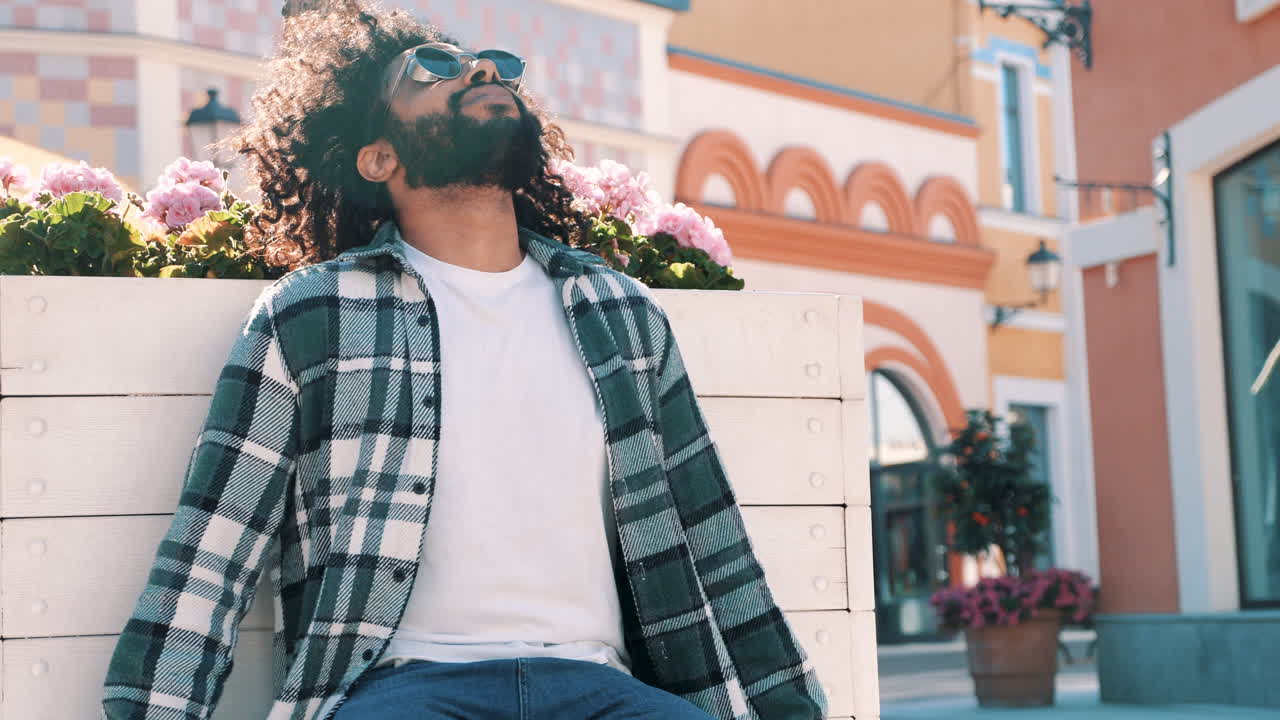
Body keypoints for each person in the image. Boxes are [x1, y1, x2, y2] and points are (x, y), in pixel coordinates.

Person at [100, 2, 826, 719]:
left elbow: (710, 534)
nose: (481, 68)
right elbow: (213, 550)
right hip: (402, 689)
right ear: (379, 156)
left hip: (598, 684)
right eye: (433, 70)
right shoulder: (313, 314)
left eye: (493, 67)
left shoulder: (621, 314)